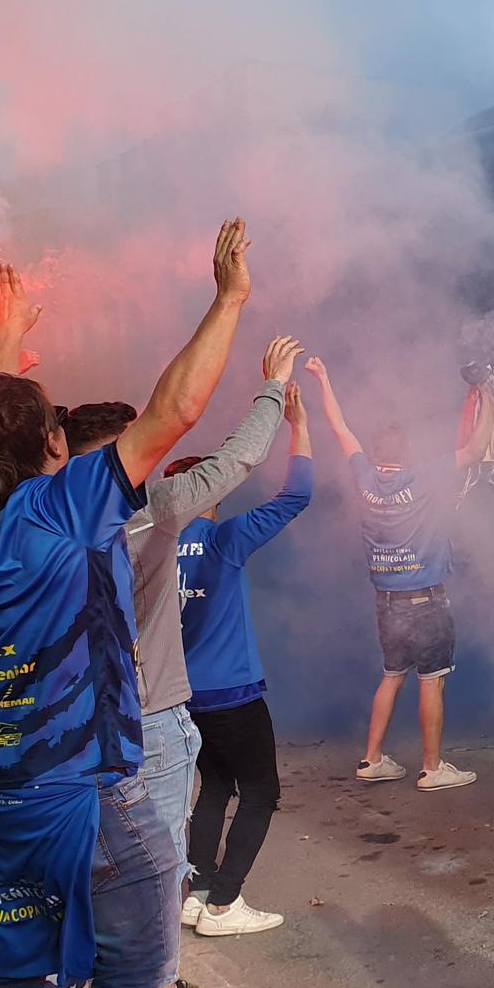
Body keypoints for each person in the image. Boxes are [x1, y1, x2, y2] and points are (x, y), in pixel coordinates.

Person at [0, 223, 253, 988]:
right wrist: (228, 298)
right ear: (56, 448)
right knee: (139, 947)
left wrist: (5, 339)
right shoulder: (60, 513)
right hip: (82, 795)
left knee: (9, 952)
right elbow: (178, 406)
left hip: (0, 788)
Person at [59, 331, 303, 988]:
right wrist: (273, 385)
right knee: (159, 860)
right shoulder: (154, 508)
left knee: (91, 846)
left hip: (73, 712)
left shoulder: (39, 511)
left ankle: (76, 971)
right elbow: (242, 456)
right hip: (151, 712)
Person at [303, 356, 494, 791]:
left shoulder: (364, 477)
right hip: (426, 601)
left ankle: (371, 759)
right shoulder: (424, 476)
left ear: (373, 453)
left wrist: (324, 378)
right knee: (432, 681)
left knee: (392, 676)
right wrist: (487, 396)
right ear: (406, 451)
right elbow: (477, 450)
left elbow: (340, 428)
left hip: (387, 602)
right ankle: (432, 768)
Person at [173, 382, 316, 937]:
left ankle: (196, 889)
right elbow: (296, 496)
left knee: (212, 786)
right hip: (233, 694)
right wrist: (299, 426)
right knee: (261, 793)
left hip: (184, 697)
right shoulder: (222, 539)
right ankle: (223, 904)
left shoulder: (151, 547)